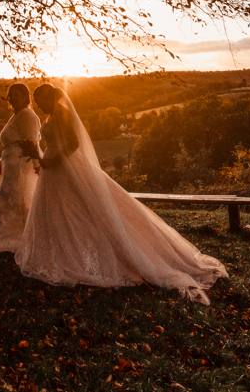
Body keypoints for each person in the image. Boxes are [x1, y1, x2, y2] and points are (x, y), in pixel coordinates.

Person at [16, 85, 227, 303]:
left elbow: (73, 144)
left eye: (40, 99)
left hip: (65, 167)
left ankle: (78, 257)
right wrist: (40, 156)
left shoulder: (62, 112)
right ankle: (57, 254)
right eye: (37, 100)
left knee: (80, 212)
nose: (38, 105)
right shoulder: (52, 114)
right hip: (54, 171)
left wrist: (52, 161)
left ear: (50, 97)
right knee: (59, 212)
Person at [0, 83, 42, 252]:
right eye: (11, 95)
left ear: (26, 97)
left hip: (21, 169)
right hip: (12, 168)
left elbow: (33, 143)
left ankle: (21, 238)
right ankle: (9, 235)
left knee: (17, 203)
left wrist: (38, 168)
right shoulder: (17, 115)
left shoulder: (27, 115)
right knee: (8, 203)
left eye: (17, 94)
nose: (13, 98)